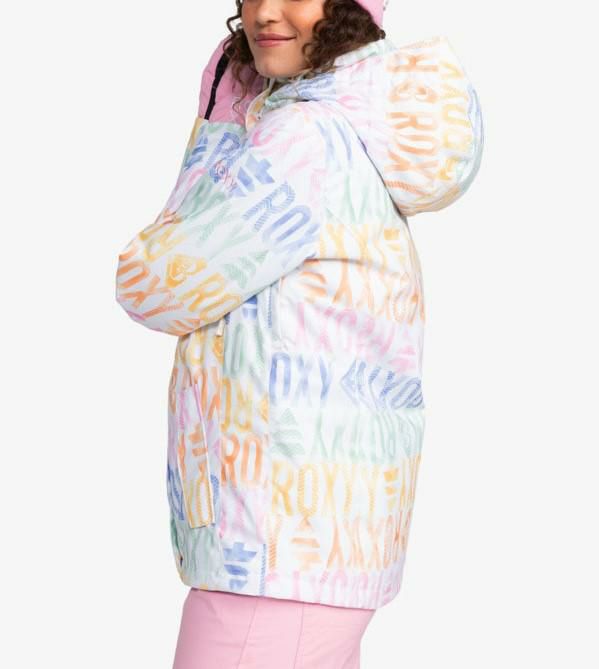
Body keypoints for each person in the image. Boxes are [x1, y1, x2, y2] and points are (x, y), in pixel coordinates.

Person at [114, 0, 484, 666]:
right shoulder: (345, 127)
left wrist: (218, 129)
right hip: (314, 546)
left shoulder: (300, 137)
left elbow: (153, 286)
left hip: (274, 550)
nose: (265, 12)